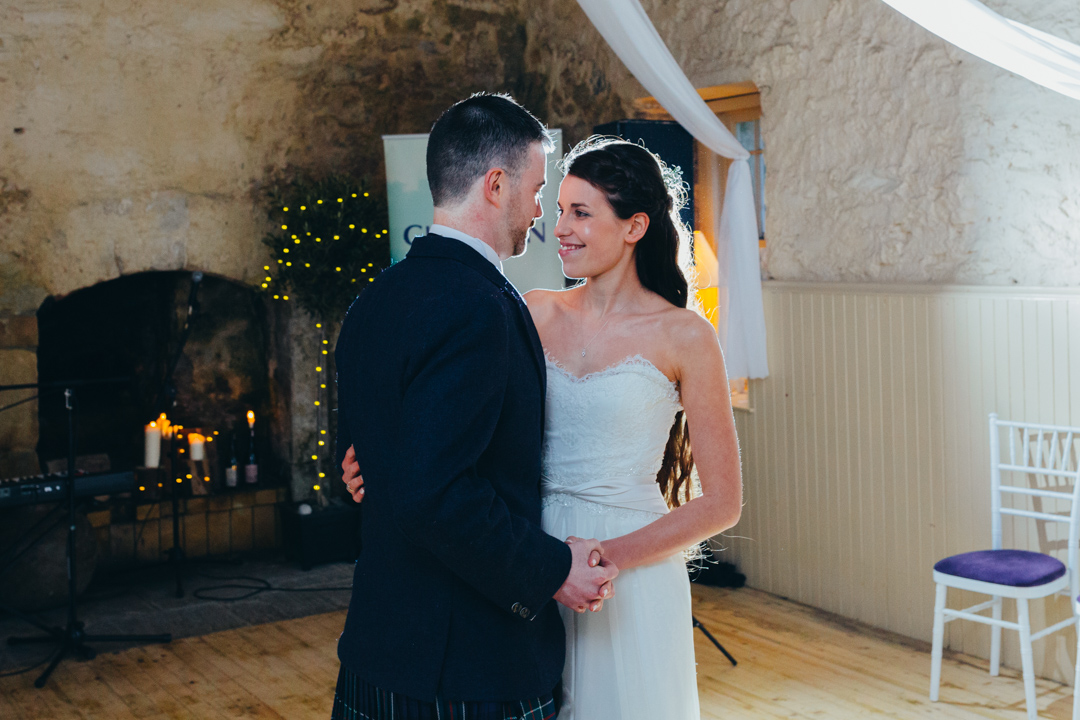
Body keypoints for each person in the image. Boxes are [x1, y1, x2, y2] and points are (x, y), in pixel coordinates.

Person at [345, 135, 743, 719]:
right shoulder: (529, 309)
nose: (559, 227)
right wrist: (381, 462)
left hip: (628, 573)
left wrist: (607, 558)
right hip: (526, 553)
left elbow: (723, 503)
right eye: (557, 209)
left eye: (580, 213)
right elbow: (461, 427)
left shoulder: (686, 335)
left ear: (635, 227)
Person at [331, 94, 617, 720]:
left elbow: (353, 457)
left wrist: (365, 469)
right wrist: (550, 570)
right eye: (537, 190)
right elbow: (436, 491)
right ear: (495, 185)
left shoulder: (372, 302)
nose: (539, 211)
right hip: (467, 670)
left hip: (377, 652)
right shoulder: (480, 307)